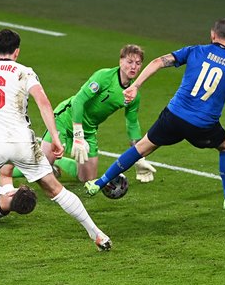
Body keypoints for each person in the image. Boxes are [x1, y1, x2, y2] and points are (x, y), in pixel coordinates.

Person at [0, 29, 112, 263]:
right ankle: (97, 234)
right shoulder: (25, 72)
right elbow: (44, 103)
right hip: (23, 143)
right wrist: (55, 137)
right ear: (16, 52)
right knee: (56, 191)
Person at [85, 19, 225, 209]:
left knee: (141, 148)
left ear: (212, 35)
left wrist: (136, 86)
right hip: (203, 126)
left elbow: (158, 61)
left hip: (174, 116)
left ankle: (99, 183)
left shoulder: (195, 51)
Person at [40, 44, 156, 183]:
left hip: (89, 130)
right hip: (66, 120)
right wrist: (78, 134)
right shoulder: (104, 77)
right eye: (129, 62)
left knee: (87, 178)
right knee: (41, 168)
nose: (133, 67)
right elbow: (78, 101)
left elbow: (132, 124)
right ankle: (8, 170)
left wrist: (139, 155)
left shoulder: (133, 95)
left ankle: (57, 163)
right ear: (121, 61)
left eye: (138, 63)